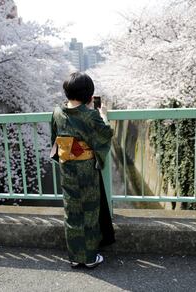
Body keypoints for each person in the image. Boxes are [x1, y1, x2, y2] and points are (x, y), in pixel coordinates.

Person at [50, 72, 115, 268]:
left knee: (72, 210)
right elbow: (105, 134)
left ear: (67, 91)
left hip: (66, 167)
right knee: (89, 210)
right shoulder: (90, 115)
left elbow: (55, 135)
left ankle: (75, 256)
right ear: (89, 94)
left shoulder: (57, 112)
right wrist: (103, 116)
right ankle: (89, 258)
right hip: (86, 169)